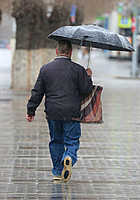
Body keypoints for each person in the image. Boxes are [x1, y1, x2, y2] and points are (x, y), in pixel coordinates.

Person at [26, 40, 93, 182]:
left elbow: (37, 92)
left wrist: (31, 110)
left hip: (53, 112)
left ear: (57, 51)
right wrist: (88, 77)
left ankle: (57, 172)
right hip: (72, 113)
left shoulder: (46, 69)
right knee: (72, 141)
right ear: (70, 52)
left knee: (56, 141)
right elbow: (86, 90)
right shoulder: (78, 69)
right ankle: (68, 156)